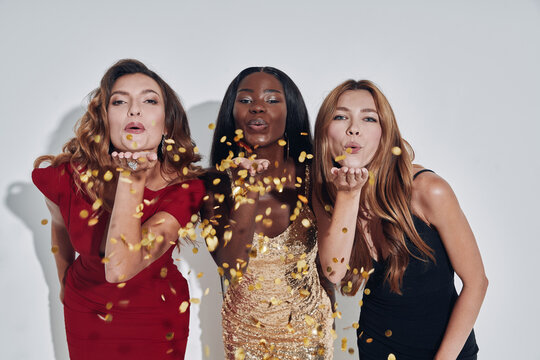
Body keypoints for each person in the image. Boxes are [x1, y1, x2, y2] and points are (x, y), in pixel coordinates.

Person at [32, 59, 204, 359]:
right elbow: (59, 225)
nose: (134, 110)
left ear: (166, 124)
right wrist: (64, 282)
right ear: (105, 120)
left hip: (156, 319)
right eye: (120, 101)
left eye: (149, 100)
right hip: (84, 313)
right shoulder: (68, 177)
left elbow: (119, 268)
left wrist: (132, 176)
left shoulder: (184, 190)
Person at [313, 80, 488, 360]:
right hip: (376, 349)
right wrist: (349, 195)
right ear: (325, 132)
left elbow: (477, 282)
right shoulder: (326, 194)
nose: (353, 128)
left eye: (368, 118)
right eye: (341, 116)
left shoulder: (428, 190)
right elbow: (334, 273)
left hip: (447, 353)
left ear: (385, 134)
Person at [200, 67, 334, 359]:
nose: (257, 106)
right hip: (244, 338)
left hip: (310, 336)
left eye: (272, 100)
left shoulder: (315, 176)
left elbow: (332, 266)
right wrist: (246, 190)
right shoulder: (213, 183)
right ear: (231, 114)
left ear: (291, 113)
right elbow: (231, 267)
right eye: (245, 100)